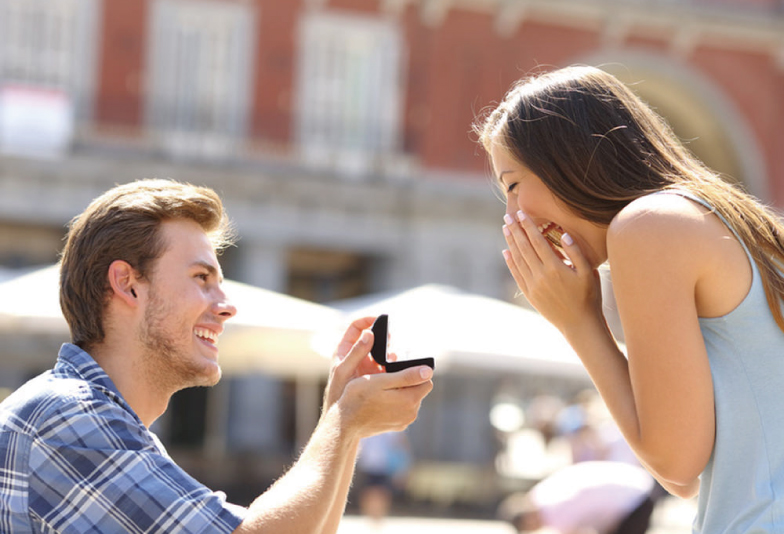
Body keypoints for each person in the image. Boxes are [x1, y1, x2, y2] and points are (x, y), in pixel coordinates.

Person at [0, 179, 434, 534]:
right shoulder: (67, 415)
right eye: (201, 277)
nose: (226, 304)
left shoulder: (100, 422)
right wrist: (342, 422)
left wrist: (344, 415)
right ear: (128, 284)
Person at [475, 65, 784, 532]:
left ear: (570, 159)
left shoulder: (648, 226)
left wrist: (580, 323)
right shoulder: (724, 222)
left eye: (513, 185)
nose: (514, 216)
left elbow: (677, 466)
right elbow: (683, 470)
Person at [497, 461, 656, 534]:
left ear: (528, 520)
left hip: (633, 500)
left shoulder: (553, 513)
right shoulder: (541, 493)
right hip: (634, 483)